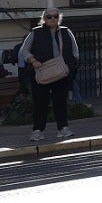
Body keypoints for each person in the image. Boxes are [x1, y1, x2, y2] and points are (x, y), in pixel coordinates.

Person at [19, 8, 77, 143]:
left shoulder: (65, 31)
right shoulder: (35, 32)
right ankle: (38, 131)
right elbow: (25, 50)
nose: (52, 19)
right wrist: (33, 61)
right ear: (44, 19)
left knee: (60, 102)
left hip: (61, 73)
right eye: (49, 16)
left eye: (55, 16)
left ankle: (63, 128)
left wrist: (71, 66)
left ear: (59, 18)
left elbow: (75, 51)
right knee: (40, 103)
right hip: (41, 72)